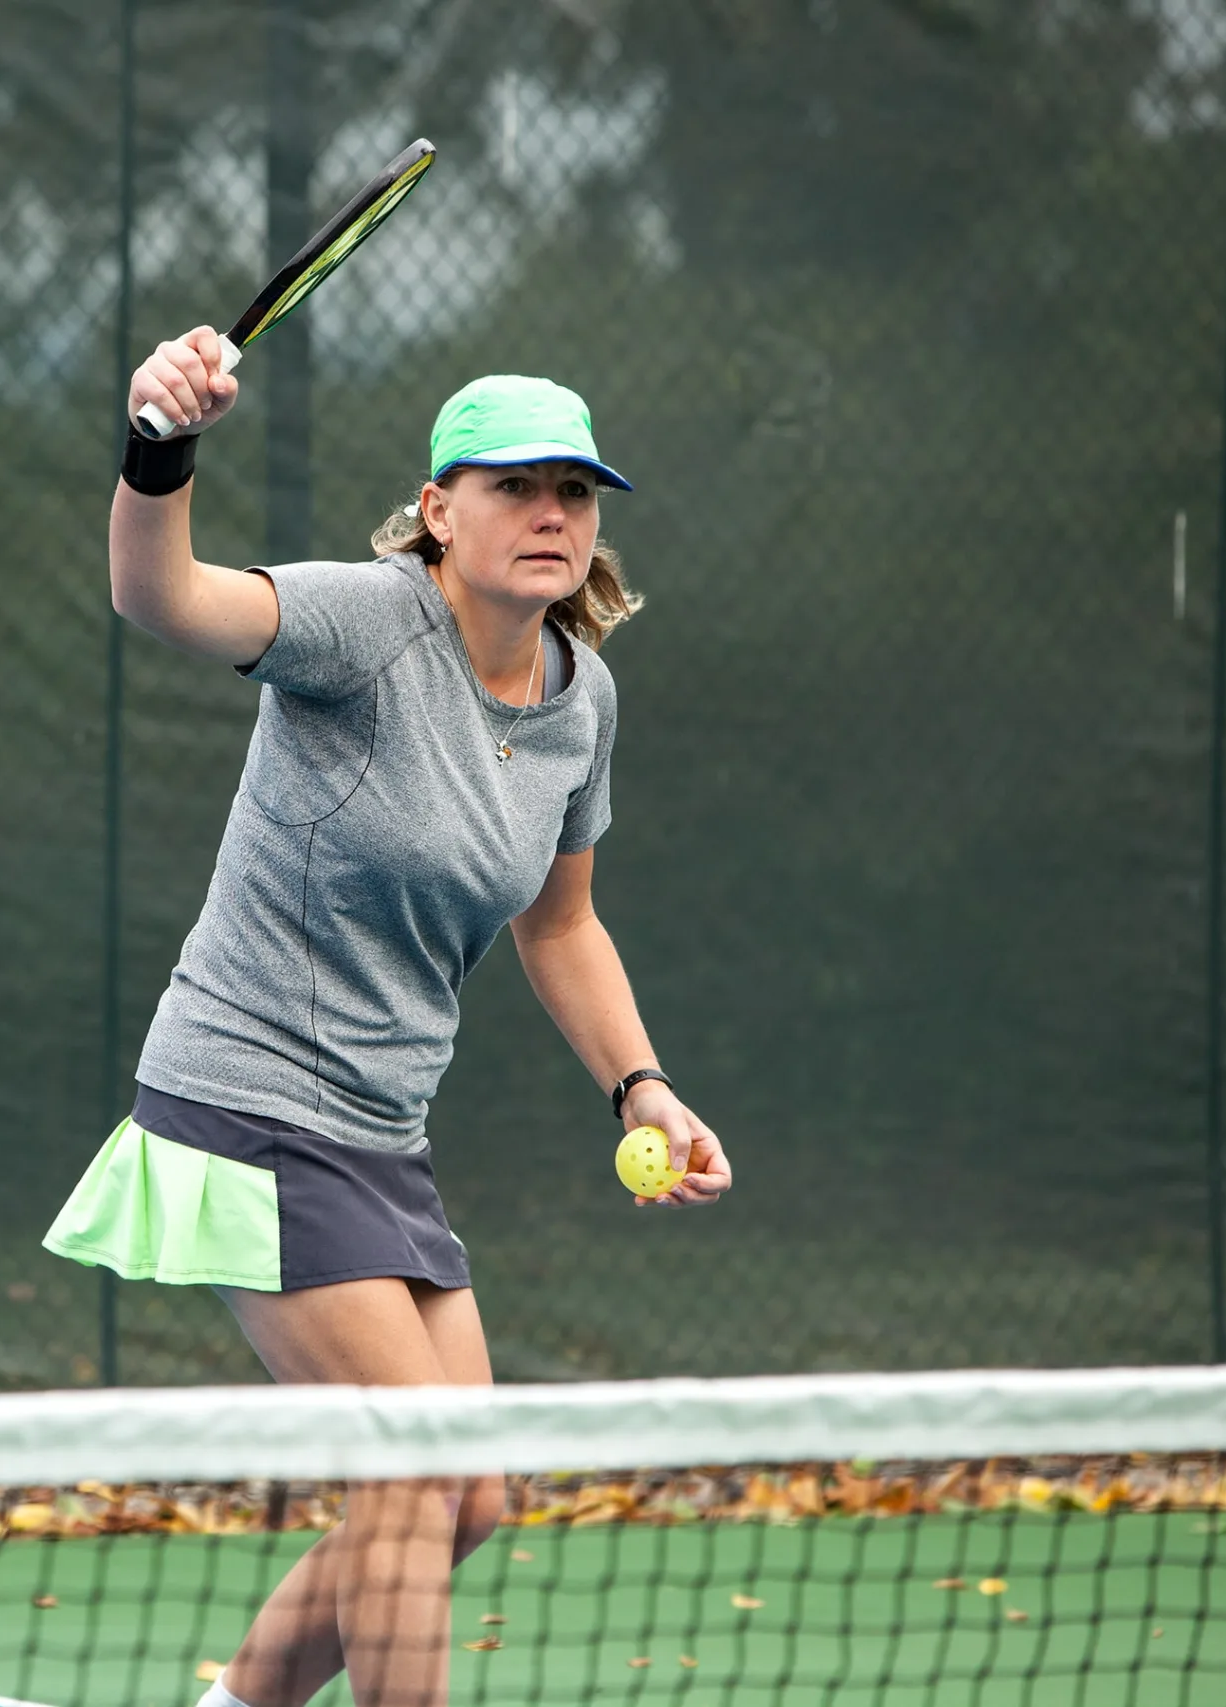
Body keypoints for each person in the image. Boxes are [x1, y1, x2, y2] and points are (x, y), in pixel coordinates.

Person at [44, 328, 734, 1707]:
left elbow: (560, 922)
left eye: (575, 493)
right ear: (439, 508)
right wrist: (160, 440)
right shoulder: (365, 622)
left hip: (378, 1130)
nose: (551, 514)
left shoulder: (579, 698)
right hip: (244, 1102)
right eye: (514, 485)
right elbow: (161, 594)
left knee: (463, 1495)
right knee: (411, 1476)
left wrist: (642, 1084)